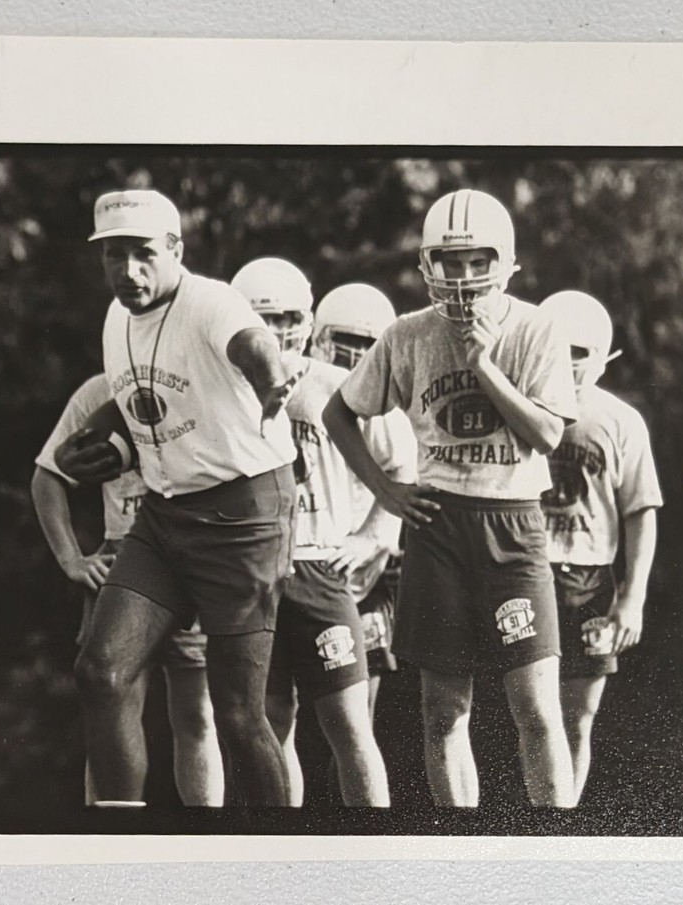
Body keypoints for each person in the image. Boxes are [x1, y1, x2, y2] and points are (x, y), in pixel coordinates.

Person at [322, 188, 579, 808]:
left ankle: (556, 858)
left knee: (537, 707)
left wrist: (484, 365)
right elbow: (339, 411)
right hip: (437, 521)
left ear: (507, 261)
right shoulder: (407, 333)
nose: (462, 278)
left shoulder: (536, 327)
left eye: (476, 261)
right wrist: (386, 489)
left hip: (512, 521)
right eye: (448, 261)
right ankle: (460, 858)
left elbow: (547, 433)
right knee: (443, 711)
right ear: (427, 264)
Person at [55, 189, 300, 806]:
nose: (127, 272)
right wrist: (106, 443)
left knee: (239, 716)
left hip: (244, 515)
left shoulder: (211, 301)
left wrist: (273, 384)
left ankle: (282, 864)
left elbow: (251, 344)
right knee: (101, 671)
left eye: (142, 255)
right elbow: (144, 402)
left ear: (175, 250)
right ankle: (120, 841)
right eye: (114, 256)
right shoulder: (118, 317)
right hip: (166, 515)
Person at [232, 260, 408, 807]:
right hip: (252, 572)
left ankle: (371, 861)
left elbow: (403, 469)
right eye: (263, 319)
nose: (279, 332)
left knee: (351, 726)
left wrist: (371, 535)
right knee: (268, 724)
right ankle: (282, 863)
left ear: (307, 322)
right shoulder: (219, 395)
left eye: (288, 318)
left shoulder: (336, 386)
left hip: (320, 569)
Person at [32, 374, 224, 806]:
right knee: (108, 709)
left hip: (189, 554)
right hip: (121, 554)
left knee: (196, 716)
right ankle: (110, 841)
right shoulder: (99, 390)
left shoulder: (196, 376)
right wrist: (71, 558)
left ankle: (206, 845)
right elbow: (48, 476)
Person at [537, 290, 663, 803]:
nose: (567, 363)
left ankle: (561, 826)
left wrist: (632, 598)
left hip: (590, 577)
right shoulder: (516, 406)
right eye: (557, 349)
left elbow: (641, 513)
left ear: (603, 356)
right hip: (529, 569)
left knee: (577, 718)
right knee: (527, 712)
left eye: (579, 352)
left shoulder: (621, 421)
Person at [309, 284, 415, 719]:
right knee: (280, 709)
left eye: (368, 346)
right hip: (301, 561)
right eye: (346, 342)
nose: (356, 358)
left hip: (360, 571)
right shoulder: (298, 390)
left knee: (354, 716)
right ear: (319, 340)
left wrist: (371, 537)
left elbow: (405, 472)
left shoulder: (384, 409)